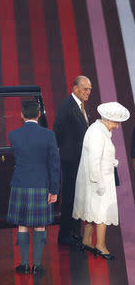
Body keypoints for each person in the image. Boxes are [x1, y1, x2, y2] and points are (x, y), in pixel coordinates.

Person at [7, 100, 60, 275]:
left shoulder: (13, 135)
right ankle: (37, 265)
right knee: (40, 226)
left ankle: (24, 265)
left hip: (20, 185)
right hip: (41, 185)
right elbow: (54, 165)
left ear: (21, 115)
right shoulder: (49, 135)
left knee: (22, 224)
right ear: (39, 115)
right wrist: (54, 190)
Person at [72, 102, 130, 260]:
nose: (117, 127)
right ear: (107, 119)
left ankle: (87, 240)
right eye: (115, 122)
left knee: (91, 212)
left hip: (97, 179)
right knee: (102, 212)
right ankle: (101, 245)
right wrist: (98, 182)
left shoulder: (98, 130)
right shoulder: (98, 133)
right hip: (99, 181)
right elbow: (94, 159)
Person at [53, 75, 92, 246]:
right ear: (75, 88)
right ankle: (65, 235)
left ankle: (75, 233)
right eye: (85, 88)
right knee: (69, 197)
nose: (88, 92)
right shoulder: (67, 106)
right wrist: (65, 152)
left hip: (79, 160)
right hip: (70, 161)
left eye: (90, 89)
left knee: (78, 197)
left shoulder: (81, 106)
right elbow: (57, 131)